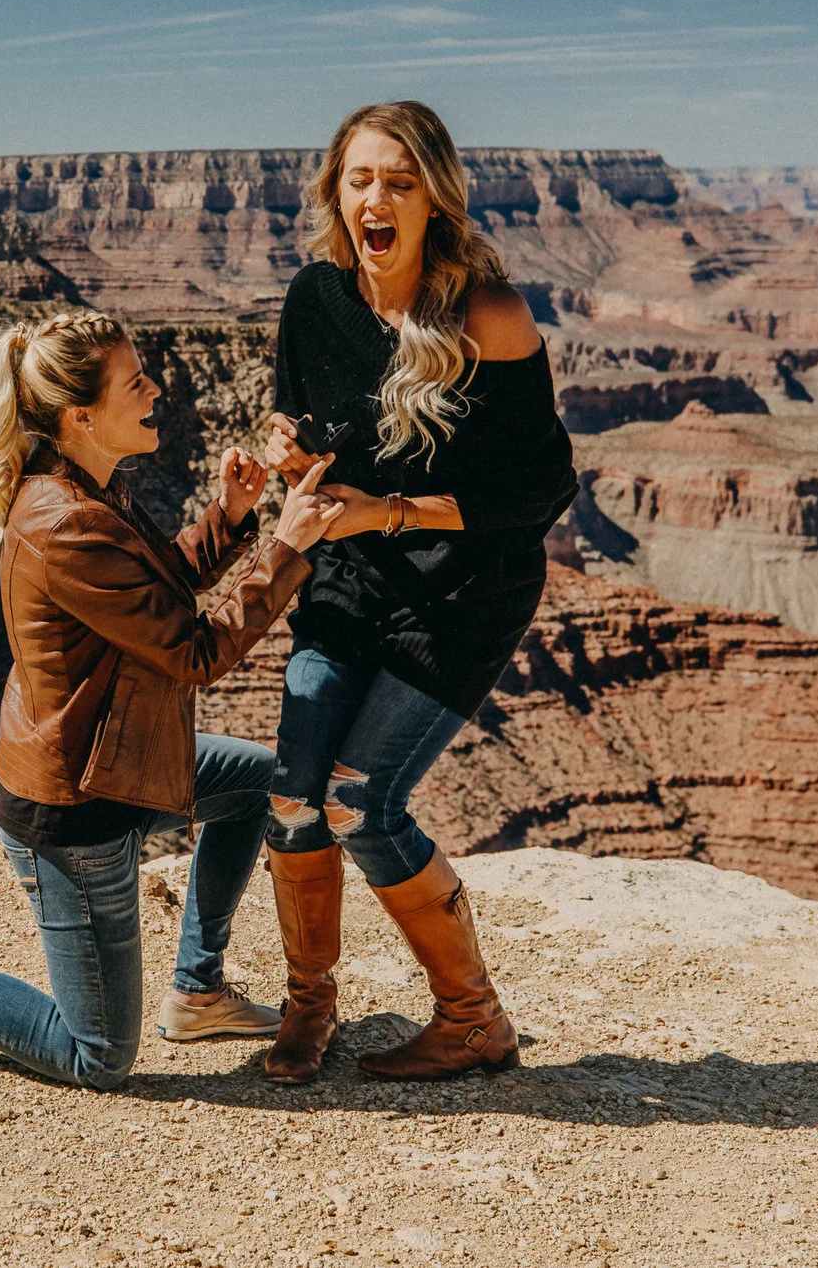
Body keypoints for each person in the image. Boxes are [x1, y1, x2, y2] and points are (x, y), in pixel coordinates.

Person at [0, 308, 345, 1090]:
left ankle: (197, 991)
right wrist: (285, 548)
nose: (155, 390)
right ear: (81, 415)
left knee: (256, 785)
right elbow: (195, 654)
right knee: (97, 1057)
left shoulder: (86, 487)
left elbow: (154, 595)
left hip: (119, 759)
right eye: (135, 383)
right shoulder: (67, 521)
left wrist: (230, 517)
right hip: (75, 808)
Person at [256, 100, 580, 1084]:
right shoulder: (315, 296)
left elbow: (540, 489)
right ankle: (309, 1006)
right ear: (335, 192)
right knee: (291, 800)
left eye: (399, 181)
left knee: (359, 803)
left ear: (435, 198)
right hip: (348, 578)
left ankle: (473, 1020)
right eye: (359, 179)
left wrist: (388, 511)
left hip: (463, 592)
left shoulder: (488, 315)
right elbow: (307, 427)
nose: (376, 198)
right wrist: (290, 454)